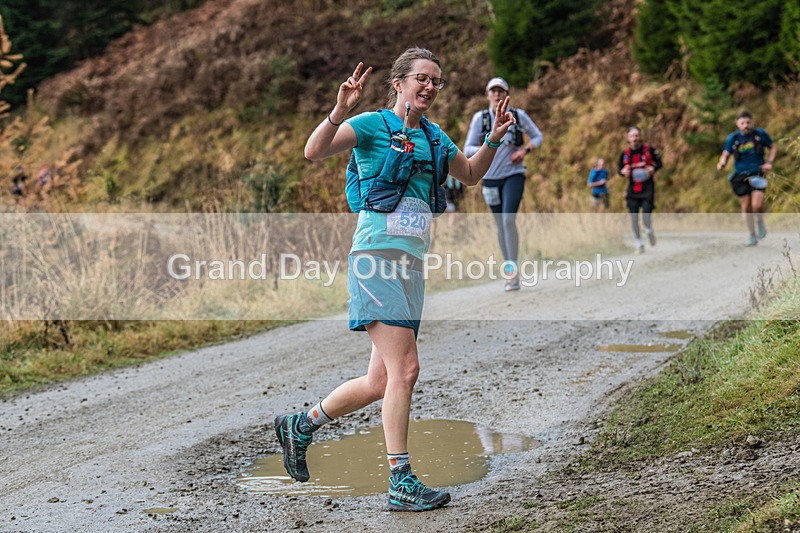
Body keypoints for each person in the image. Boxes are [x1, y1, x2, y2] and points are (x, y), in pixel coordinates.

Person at [274, 48, 514, 512]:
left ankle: (300, 426)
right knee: (406, 370)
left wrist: (495, 139)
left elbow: (467, 175)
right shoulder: (371, 125)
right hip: (374, 259)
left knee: (380, 380)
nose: (429, 87)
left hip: (411, 266)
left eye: (436, 81)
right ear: (399, 82)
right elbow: (314, 150)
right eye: (421, 78)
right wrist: (339, 109)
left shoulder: (434, 136)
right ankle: (400, 479)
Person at [463, 77, 543, 291]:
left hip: (513, 175)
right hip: (489, 178)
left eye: (501, 91)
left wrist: (524, 151)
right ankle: (510, 273)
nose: (497, 94)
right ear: (487, 94)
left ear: (507, 94)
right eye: (493, 91)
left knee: (508, 220)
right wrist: (489, 142)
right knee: (500, 225)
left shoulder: (518, 116)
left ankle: (514, 271)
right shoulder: (480, 119)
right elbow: (467, 148)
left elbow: (537, 136)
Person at [716, 110, 776, 246]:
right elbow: (725, 153)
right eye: (742, 123)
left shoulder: (759, 134)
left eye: (748, 122)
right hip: (740, 176)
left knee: (757, 205)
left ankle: (760, 222)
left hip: (757, 173)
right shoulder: (733, 138)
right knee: (746, 206)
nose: (745, 125)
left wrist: (769, 162)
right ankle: (752, 234)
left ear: (752, 122)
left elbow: (772, 147)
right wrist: (721, 163)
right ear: (737, 124)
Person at [617, 126, 662, 254]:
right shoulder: (625, 154)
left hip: (647, 187)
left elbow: (659, 162)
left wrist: (654, 168)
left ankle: (648, 230)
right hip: (633, 190)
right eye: (632, 136)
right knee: (634, 219)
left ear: (640, 137)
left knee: (646, 215)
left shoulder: (648, 150)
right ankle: (639, 244)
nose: (635, 138)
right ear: (628, 138)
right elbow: (619, 169)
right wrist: (623, 172)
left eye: (637, 135)